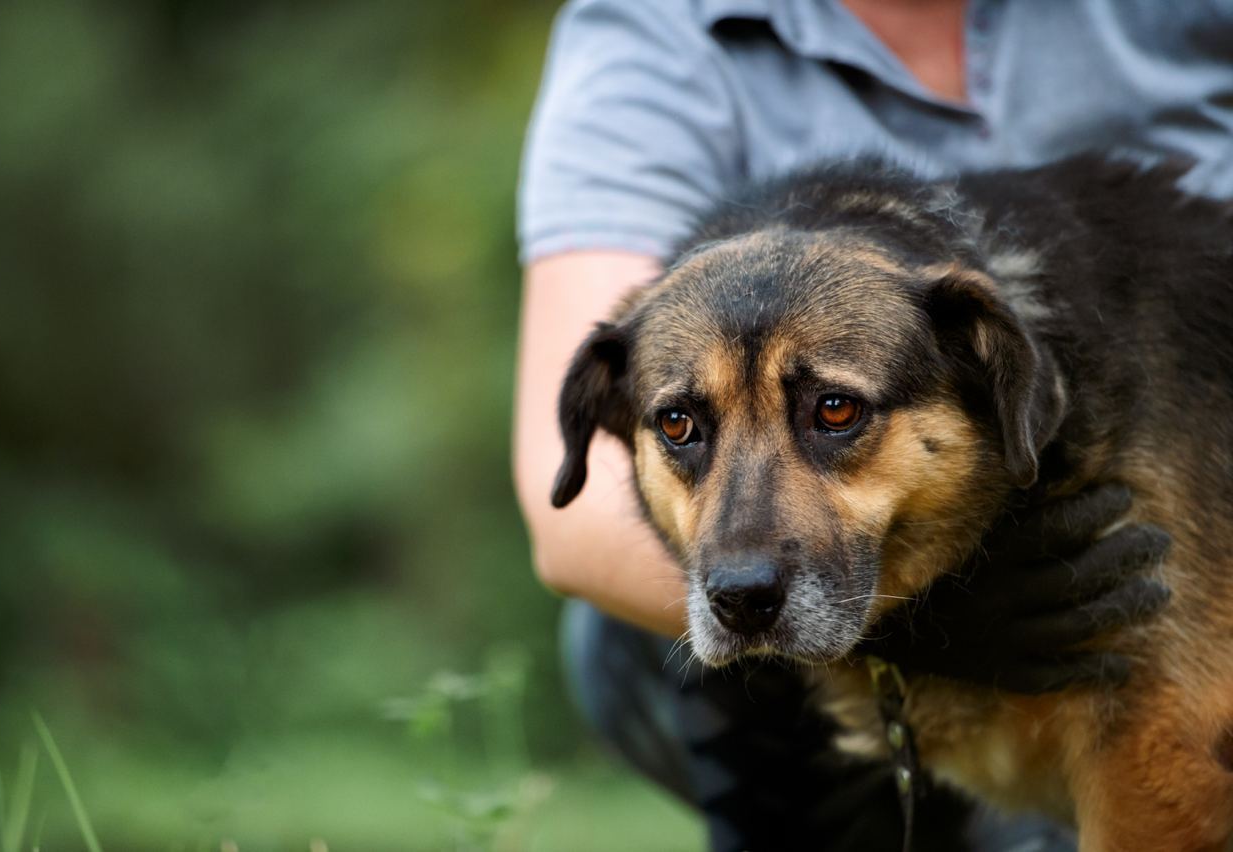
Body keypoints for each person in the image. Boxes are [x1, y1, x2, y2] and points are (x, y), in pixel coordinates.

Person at [511, 1, 1231, 848]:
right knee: (626, 634)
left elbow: (1176, 766)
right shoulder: (656, 29)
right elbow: (567, 526)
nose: (743, 559)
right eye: (682, 427)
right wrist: (934, 631)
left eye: (834, 412)